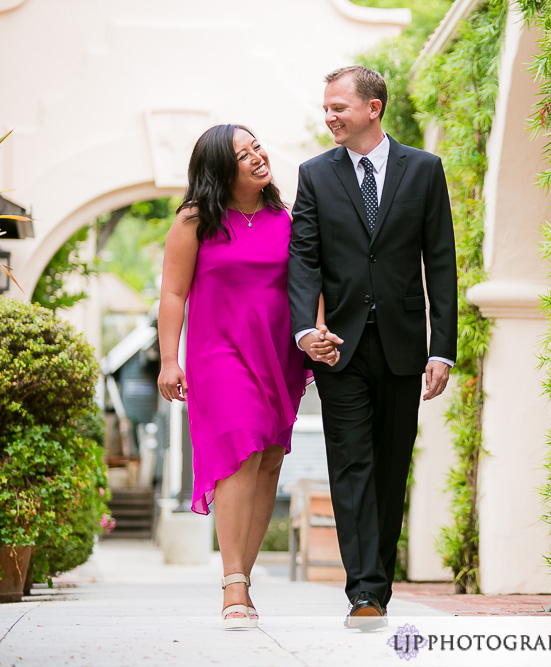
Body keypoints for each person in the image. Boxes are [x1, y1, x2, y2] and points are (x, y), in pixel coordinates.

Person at [287, 65, 458, 630]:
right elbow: (304, 259)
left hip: (406, 346)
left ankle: (376, 583)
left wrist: (442, 348)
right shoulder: (314, 175)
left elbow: (440, 262)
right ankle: (363, 590)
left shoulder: (425, 170)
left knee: (389, 466)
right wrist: (305, 331)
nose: (330, 116)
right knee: (352, 464)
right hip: (339, 347)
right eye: (327, 108)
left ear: (373, 108)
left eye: (339, 107)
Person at [157, 124, 336, 630]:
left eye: (257, 146)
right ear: (220, 168)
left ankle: (244, 581)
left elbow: (311, 283)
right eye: (243, 153)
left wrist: (317, 330)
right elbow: (172, 293)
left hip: (279, 356)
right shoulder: (195, 222)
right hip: (219, 355)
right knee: (240, 451)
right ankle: (232, 583)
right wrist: (170, 359)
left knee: (267, 462)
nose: (258, 156)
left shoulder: (290, 219)